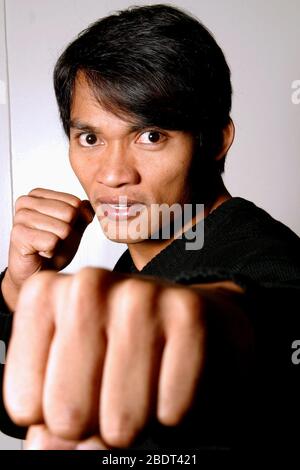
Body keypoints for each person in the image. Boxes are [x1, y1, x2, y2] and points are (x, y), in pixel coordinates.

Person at [0, 4, 299, 451]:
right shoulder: (141, 256)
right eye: (90, 138)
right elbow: (22, 411)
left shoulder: (266, 259)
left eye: (151, 135)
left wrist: (210, 324)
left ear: (215, 141)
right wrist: (20, 292)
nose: (114, 173)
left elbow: (273, 313)